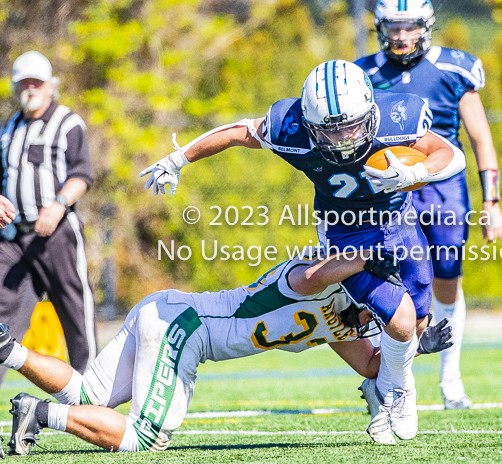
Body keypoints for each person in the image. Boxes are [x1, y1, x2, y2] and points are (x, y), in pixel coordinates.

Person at [139, 59, 466, 443]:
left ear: (370, 107)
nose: (343, 138)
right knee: (402, 320)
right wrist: (180, 158)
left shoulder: (397, 115)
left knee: (418, 323)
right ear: (310, 125)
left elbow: (450, 155)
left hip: (398, 225)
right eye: (331, 131)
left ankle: (386, 388)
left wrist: (417, 173)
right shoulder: (289, 126)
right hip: (344, 235)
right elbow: (237, 132)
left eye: (351, 126)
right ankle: (400, 394)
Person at [2, 250, 452, 454]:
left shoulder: (340, 325)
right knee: (145, 437)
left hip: (167, 311)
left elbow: (374, 366)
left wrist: (411, 347)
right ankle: (38, 414)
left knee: (89, 400)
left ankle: (7, 351)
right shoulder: (316, 276)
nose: (373, 320)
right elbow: (314, 276)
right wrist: (369, 257)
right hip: (187, 327)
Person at [355, 0, 502, 409]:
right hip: (386, 186)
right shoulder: (364, 74)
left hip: (442, 186)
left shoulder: (454, 68)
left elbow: (480, 139)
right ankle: (382, 380)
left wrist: (491, 201)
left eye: (409, 27)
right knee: (378, 279)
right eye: (393, 27)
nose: (401, 36)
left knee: (445, 279)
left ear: (425, 26)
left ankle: (450, 379)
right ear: (380, 28)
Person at [0, 51, 97, 384]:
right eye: (24, 82)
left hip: (56, 236)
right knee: (3, 316)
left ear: (50, 86)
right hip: (14, 239)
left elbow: (82, 173)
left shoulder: (67, 122)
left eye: (36, 82)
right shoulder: (9, 128)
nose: (31, 88)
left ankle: (94, 391)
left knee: (75, 312)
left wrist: (57, 205)